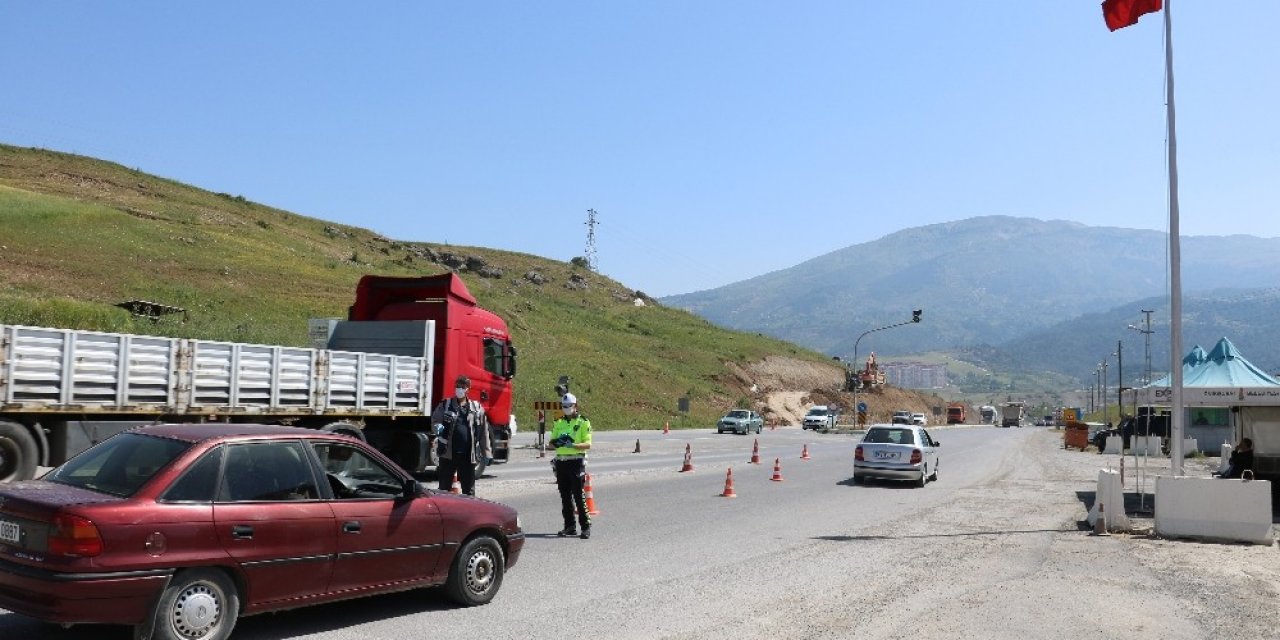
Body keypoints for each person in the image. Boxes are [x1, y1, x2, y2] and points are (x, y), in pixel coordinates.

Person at [430, 375, 492, 496]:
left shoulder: (476, 408)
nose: (459, 389)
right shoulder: (446, 405)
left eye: (463, 387)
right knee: (443, 489)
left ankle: (469, 513)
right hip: (448, 454)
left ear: (468, 389)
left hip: (468, 456)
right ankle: (445, 512)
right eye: (458, 386)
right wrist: (438, 427)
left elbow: (484, 432)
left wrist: (487, 453)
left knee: (469, 491)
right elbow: (435, 420)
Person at [549, 392, 592, 539]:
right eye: (564, 406)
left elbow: (588, 444)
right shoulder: (559, 422)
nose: (566, 408)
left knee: (578, 495)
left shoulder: (583, 422)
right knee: (565, 496)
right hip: (561, 462)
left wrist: (573, 445)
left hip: (576, 461)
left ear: (575, 406)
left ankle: (585, 526)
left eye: (569, 406)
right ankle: (569, 526)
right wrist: (557, 442)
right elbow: (551, 442)